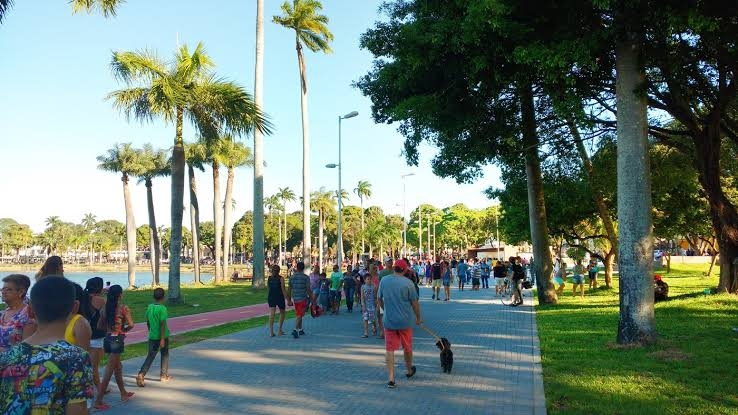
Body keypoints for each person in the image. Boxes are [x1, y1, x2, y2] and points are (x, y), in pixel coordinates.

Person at [0, 277, 94, 414]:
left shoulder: (7, 356)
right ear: (75, 307)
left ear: (30, 309)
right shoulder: (76, 358)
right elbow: (77, 410)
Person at [377, 259, 422, 389]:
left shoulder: (384, 280)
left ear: (394, 268)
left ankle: (391, 378)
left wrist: (385, 310)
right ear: (405, 270)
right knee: (407, 347)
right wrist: (418, 318)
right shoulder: (409, 284)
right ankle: (409, 370)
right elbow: (414, 303)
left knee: (389, 349)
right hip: (405, 321)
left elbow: (379, 298)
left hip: (389, 321)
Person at [93, 285, 135, 410]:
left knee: (118, 367)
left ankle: (123, 393)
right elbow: (131, 325)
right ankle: (98, 401)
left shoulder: (104, 309)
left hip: (107, 339)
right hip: (117, 340)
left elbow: (99, 326)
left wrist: (109, 329)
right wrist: (124, 330)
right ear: (120, 295)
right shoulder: (123, 309)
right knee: (108, 372)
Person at [136, 287, 172, 387]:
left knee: (150, 356)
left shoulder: (150, 307)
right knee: (164, 354)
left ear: (153, 297)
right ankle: (163, 376)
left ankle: (141, 374)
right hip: (162, 336)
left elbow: (147, 321)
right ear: (163, 297)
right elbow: (162, 324)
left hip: (152, 336)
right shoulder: (163, 309)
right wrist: (162, 339)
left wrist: (150, 330)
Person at [0, 274, 36, 353]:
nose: (3, 292)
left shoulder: (28, 314)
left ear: (21, 292)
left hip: (13, 363)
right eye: (3, 289)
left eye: (9, 289)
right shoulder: (4, 313)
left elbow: (25, 351)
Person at [84, 277, 106, 391]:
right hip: (97, 336)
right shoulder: (100, 300)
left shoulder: (83, 298)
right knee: (94, 366)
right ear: (100, 288)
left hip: (85, 334)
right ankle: (99, 387)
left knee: (90, 364)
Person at [286, 262, 316, 339]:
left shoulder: (292, 277)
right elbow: (308, 289)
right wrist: (312, 299)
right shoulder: (306, 277)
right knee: (300, 314)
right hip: (303, 298)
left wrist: (289, 300)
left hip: (295, 298)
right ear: (303, 268)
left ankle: (300, 329)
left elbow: (289, 289)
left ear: (296, 267)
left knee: (299, 313)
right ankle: (295, 329)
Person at [266, 265, 287, 337]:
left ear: (272, 271)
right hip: (279, 297)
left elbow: (268, 289)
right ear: (279, 271)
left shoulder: (269, 278)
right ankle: (280, 330)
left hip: (271, 297)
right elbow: (283, 290)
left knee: (272, 314)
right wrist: (288, 299)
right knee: (282, 313)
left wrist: (268, 297)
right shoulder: (281, 278)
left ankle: (271, 332)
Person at [360, 271, 378, 338]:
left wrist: (376, 303)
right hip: (365, 305)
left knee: (372, 319)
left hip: (372, 305)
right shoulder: (363, 287)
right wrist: (363, 305)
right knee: (365, 319)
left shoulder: (374, 287)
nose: (369, 280)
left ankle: (374, 327)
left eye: (370, 279)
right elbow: (362, 297)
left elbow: (375, 296)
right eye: (368, 279)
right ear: (364, 280)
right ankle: (366, 332)